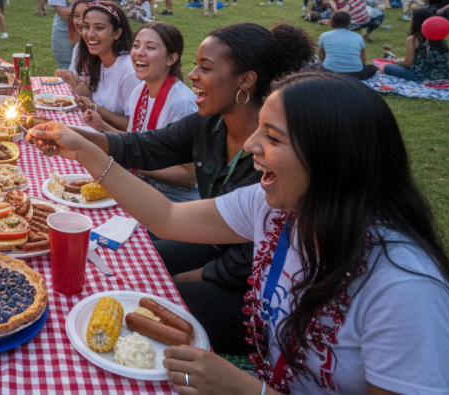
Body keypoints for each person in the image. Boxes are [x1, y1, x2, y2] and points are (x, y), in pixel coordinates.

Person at [32, 72, 449, 394]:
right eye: (258, 128)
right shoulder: (275, 208)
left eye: (273, 138)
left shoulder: (406, 290)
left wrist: (250, 390)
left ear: (333, 161)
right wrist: (85, 151)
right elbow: (166, 216)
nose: (249, 146)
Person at [30, 22, 316, 354]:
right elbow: (141, 146)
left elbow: (246, 260)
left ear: (245, 80)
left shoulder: (276, 163)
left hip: (253, 282)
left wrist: (184, 279)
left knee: (152, 296)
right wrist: (70, 135)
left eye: (205, 68)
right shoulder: (208, 123)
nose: (192, 75)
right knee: (131, 268)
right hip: (214, 240)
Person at [84, 22, 200, 204]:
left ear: (171, 59)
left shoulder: (182, 103)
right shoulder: (139, 91)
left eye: (150, 47)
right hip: (141, 186)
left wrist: (132, 161)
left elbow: (189, 177)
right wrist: (103, 127)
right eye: (136, 45)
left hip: (174, 199)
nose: (139, 52)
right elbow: (135, 143)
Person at [58, 1, 135, 131]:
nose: (90, 34)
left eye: (99, 28)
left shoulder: (129, 70)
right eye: (86, 27)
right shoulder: (98, 60)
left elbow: (134, 126)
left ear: (117, 33)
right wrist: (85, 96)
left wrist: (93, 106)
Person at [382, 8, 449, 82]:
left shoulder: (413, 39)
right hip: (443, 76)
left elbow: (408, 63)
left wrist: (396, 63)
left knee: (387, 67)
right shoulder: (438, 38)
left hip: (421, 78)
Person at [318, 11, 376, 80]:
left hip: (330, 73)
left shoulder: (324, 36)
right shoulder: (358, 37)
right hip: (356, 75)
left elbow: (322, 57)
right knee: (373, 68)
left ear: (331, 22)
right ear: (349, 23)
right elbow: (362, 60)